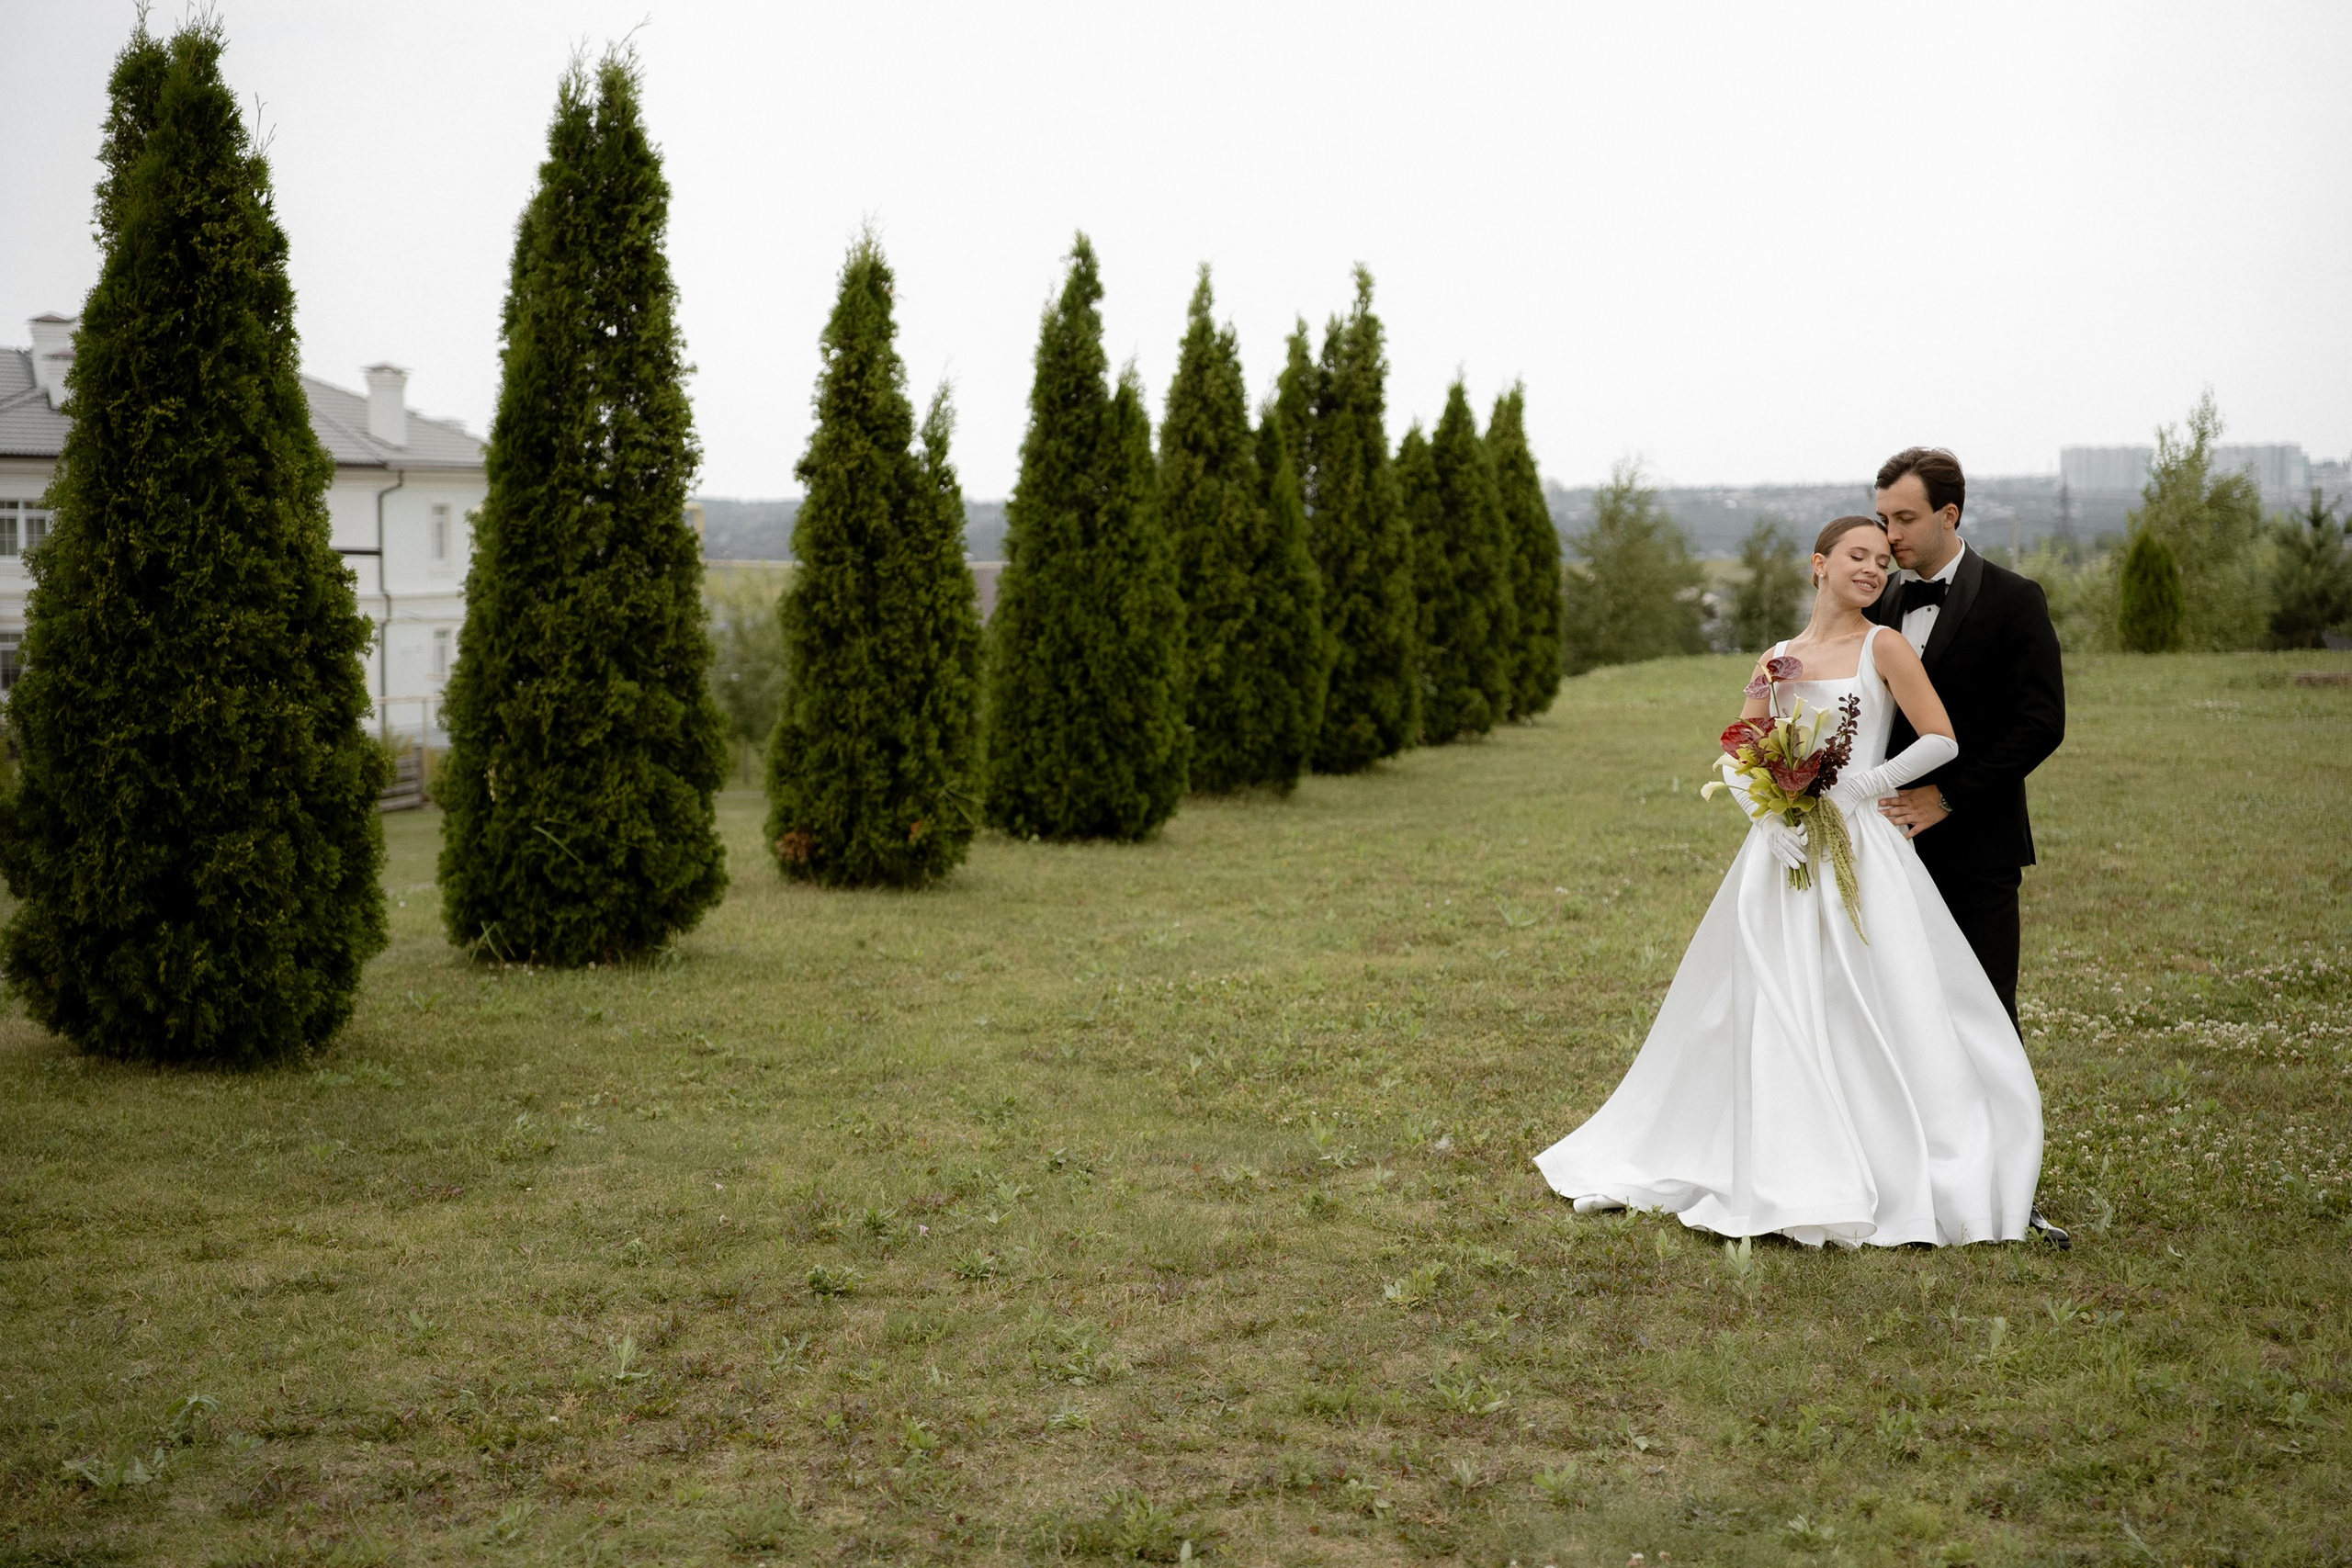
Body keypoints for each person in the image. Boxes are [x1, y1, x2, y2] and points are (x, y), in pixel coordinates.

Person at [1533, 516, 2049, 1248]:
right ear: (1819, 564)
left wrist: (1862, 786)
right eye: (1857, 556)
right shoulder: (1776, 659)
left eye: (1882, 561)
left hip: (1861, 845)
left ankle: (1880, 1154)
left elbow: (1941, 738)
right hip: (1784, 850)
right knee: (1770, 996)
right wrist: (1766, 818)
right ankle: (1764, 1151)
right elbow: (1740, 747)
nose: (1872, 569)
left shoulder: (1885, 645)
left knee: (1866, 991)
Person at [1864, 447, 2066, 1032]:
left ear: (1949, 515)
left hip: (1980, 845)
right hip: (1887, 845)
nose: (1890, 535)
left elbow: (2040, 724)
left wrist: (1947, 797)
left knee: (1984, 1013)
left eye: (1905, 519)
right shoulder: (1877, 600)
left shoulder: (2015, 598)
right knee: (1897, 1013)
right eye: (1883, 519)